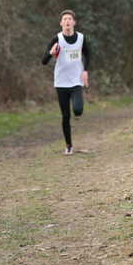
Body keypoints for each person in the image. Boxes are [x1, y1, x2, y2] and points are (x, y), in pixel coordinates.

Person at [41, 9, 90, 155]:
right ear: (61, 23)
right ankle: (69, 145)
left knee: (78, 110)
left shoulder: (81, 38)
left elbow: (88, 54)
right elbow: (44, 61)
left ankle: (77, 112)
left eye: (70, 19)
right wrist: (51, 53)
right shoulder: (57, 39)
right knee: (65, 116)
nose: (67, 21)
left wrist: (85, 70)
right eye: (65, 19)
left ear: (74, 22)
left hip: (76, 80)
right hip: (61, 82)